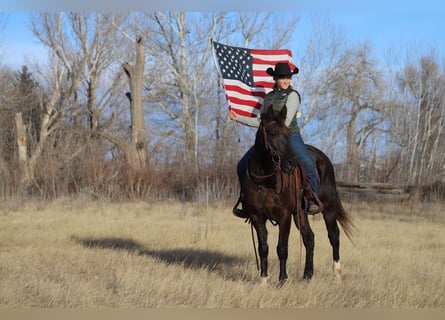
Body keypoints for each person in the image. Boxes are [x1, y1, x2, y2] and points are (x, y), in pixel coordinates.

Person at [229, 62, 320, 217]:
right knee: (242, 164)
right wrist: (239, 118)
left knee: (307, 162)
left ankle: (312, 198)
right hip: (269, 138)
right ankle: (245, 200)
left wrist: (273, 130)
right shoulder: (269, 97)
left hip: (289, 135)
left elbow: (286, 120)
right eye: (282, 78)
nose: (286, 81)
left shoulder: (293, 96)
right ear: (276, 78)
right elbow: (261, 121)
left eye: (288, 78)